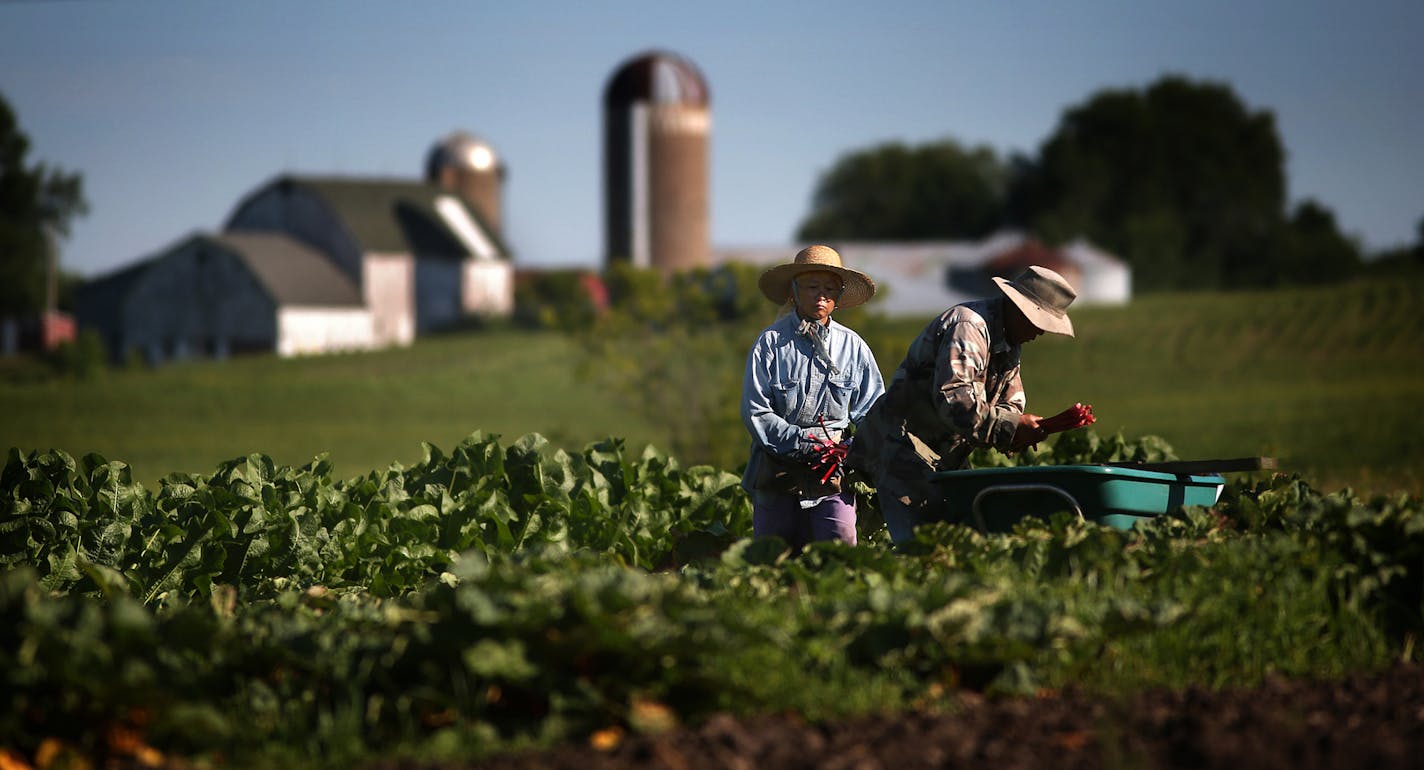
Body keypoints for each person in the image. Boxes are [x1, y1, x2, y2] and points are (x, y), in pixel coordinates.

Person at [853, 265, 1079, 543]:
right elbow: (955, 400)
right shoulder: (969, 326)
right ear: (1019, 309)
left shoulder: (1008, 340)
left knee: (958, 542)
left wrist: (1019, 430)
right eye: (1039, 323)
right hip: (903, 450)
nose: (1040, 333)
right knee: (919, 549)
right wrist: (1010, 428)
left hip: (943, 458)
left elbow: (1010, 400)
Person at [741, 245, 885, 548]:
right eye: (812, 287)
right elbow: (756, 411)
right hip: (777, 468)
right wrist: (804, 444)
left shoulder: (854, 347)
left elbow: (876, 413)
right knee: (773, 554)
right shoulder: (770, 343)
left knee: (840, 543)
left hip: (833, 470)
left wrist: (848, 449)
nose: (822, 295)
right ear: (794, 290)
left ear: (839, 296)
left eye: (830, 289)